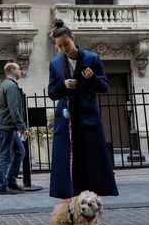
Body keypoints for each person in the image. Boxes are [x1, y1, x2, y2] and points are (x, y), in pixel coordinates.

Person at [48, 19, 118, 199]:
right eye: (60, 46)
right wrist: (63, 85)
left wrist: (92, 78)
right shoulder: (55, 63)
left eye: (66, 44)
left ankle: (91, 207)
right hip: (66, 122)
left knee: (91, 164)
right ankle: (70, 206)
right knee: (68, 166)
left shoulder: (92, 58)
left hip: (88, 120)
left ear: (73, 37)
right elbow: (52, 93)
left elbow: (104, 87)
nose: (64, 48)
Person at [0, 62, 28, 195]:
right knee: (5, 156)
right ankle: (1, 186)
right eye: (18, 69)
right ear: (12, 70)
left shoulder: (5, 84)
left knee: (19, 152)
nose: (20, 71)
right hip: (5, 126)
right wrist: (23, 127)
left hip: (6, 126)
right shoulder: (11, 86)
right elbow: (14, 110)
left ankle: (11, 181)